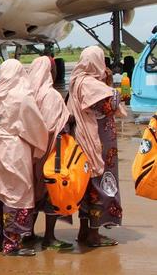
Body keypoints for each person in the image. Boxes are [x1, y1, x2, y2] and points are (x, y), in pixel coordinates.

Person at [0, 59, 49, 257]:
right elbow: (35, 126)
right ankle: (12, 244)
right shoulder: (22, 96)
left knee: (1, 192)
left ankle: (0, 240)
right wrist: (40, 148)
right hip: (16, 151)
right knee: (17, 194)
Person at [68, 46, 126, 247]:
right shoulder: (90, 85)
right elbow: (109, 106)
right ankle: (93, 234)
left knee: (87, 185)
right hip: (98, 142)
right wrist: (115, 88)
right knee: (100, 185)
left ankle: (84, 231)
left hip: (84, 140)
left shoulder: (77, 80)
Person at [27, 56, 74, 250]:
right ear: (50, 72)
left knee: (32, 193)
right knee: (51, 192)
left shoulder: (27, 94)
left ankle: (27, 233)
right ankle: (49, 237)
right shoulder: (52, 96)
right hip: (50, 153)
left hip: (30, 154)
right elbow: (56, 126)